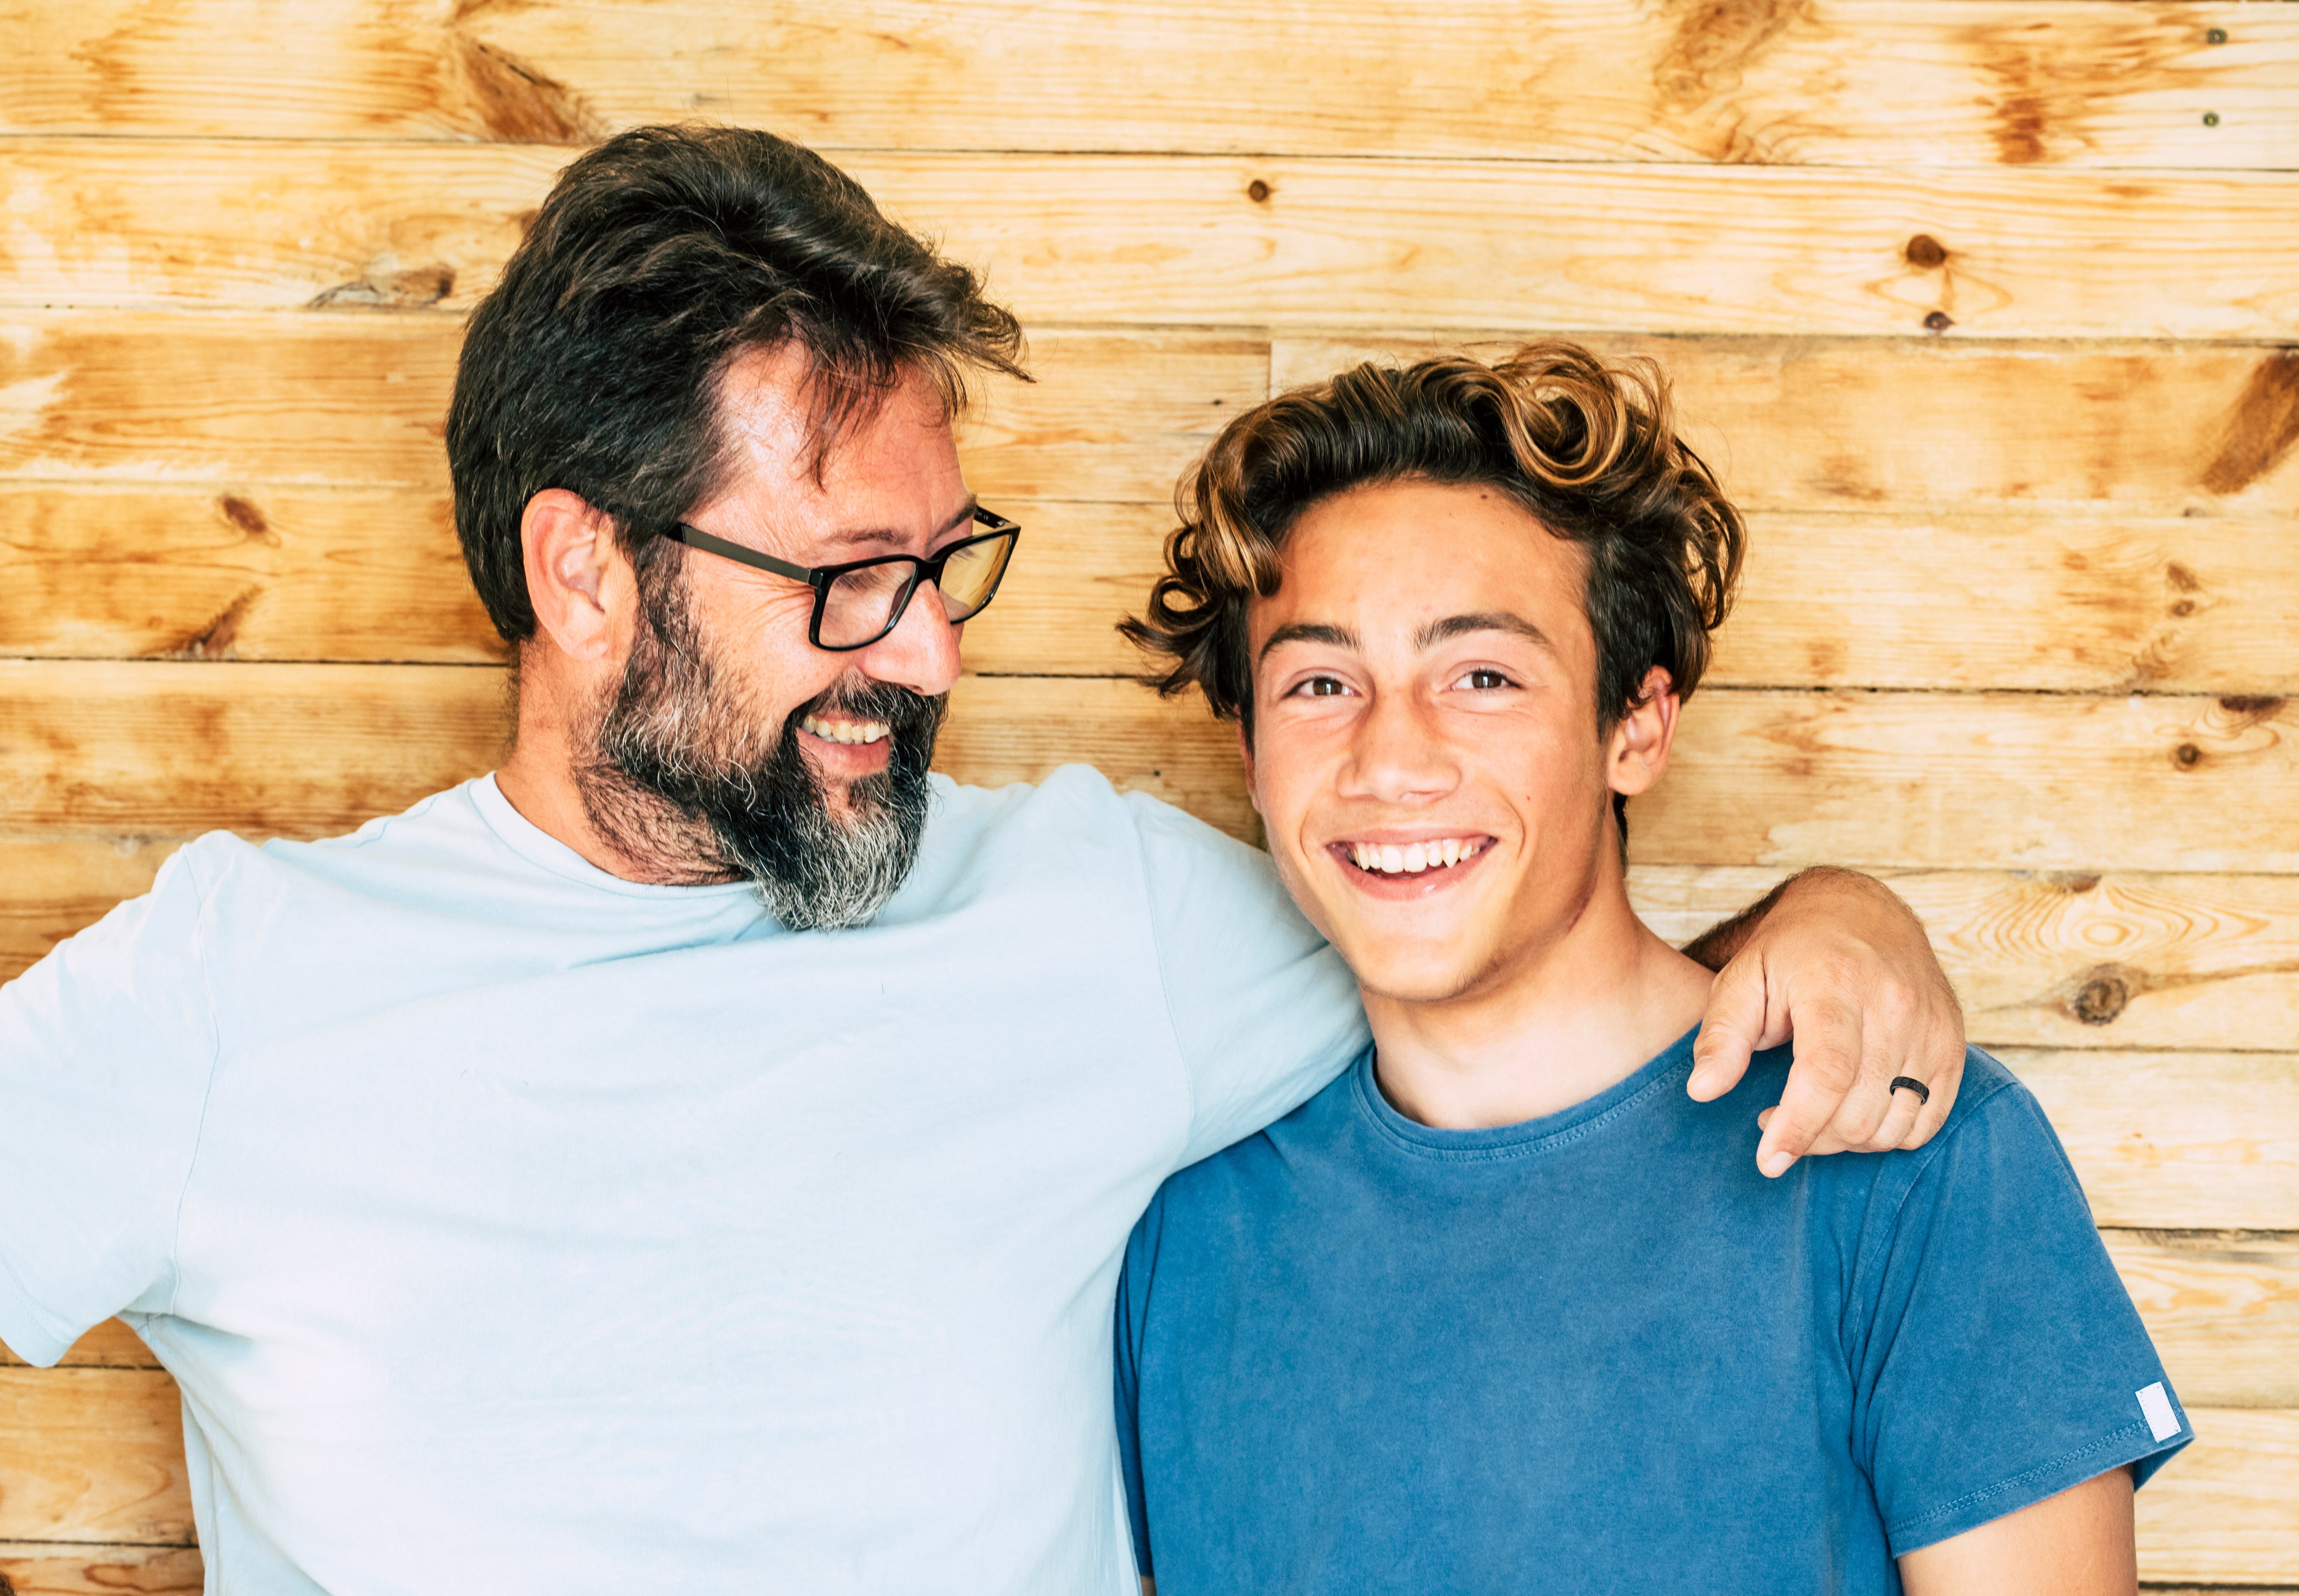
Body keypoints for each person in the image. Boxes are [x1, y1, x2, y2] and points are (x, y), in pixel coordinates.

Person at [3, 127, 1961, 1592]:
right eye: (855, 582)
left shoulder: (1096, 915)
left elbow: (1517, 948)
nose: (932, 654)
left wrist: (1826, 920)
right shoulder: (237, 993)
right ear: (583, 569)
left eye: (946, 570)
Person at [1113, 342, 2188, 1595]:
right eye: (1320, 682)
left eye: (1481, 676)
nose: (1389, 759)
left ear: (1637, 726)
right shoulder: (1174, 1228)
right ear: (1250, 753)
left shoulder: (1905, 1157)